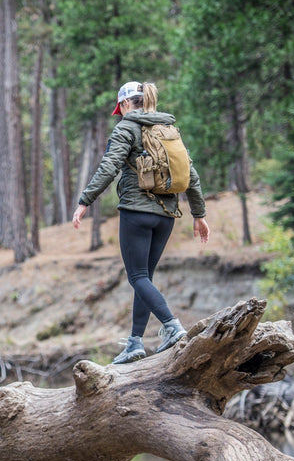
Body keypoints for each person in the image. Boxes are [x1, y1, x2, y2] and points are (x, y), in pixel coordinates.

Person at [72, 81, 210, 363]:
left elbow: (109, 166)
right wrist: (199, 214)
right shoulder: (168, 130)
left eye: (120, 108)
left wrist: (85, 200)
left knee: (137, 277)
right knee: (144, 278)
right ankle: (135, 342)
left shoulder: (126, 127)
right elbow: (191, 173)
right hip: (166, 216)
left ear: (125, 104)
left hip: (136, 212)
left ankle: (172, 326)